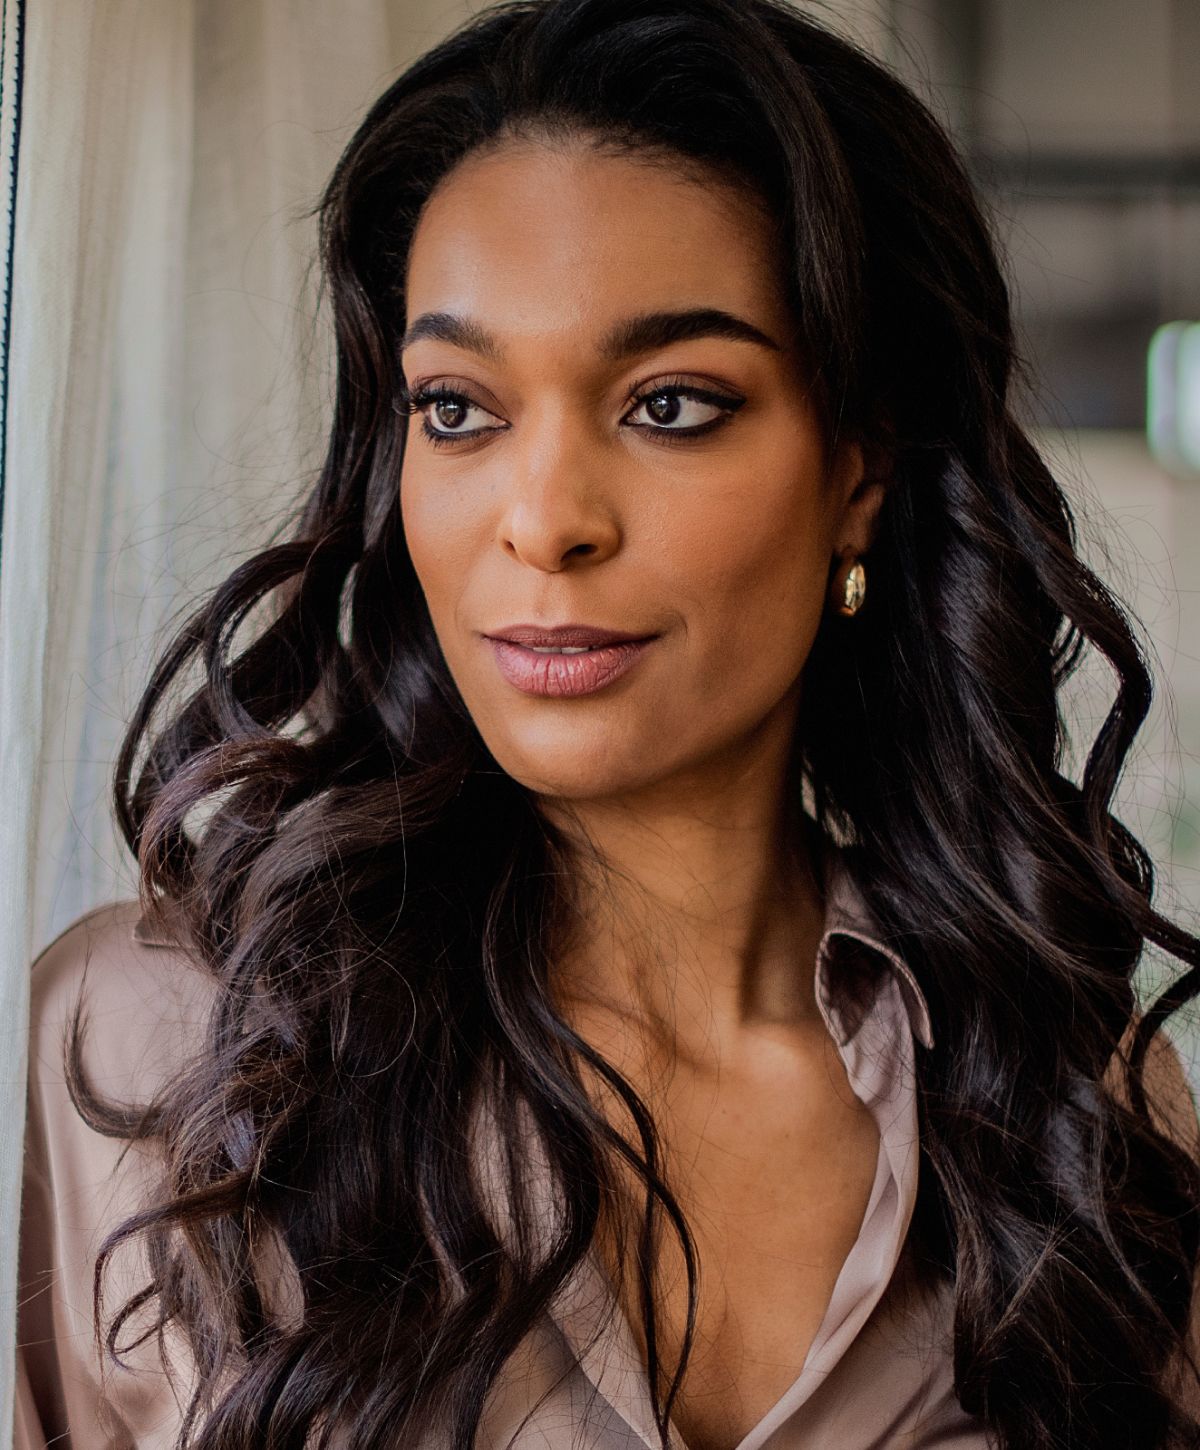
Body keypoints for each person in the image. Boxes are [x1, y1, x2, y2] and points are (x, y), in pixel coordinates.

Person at [15, 1, 1200, 1446]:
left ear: (860, 467)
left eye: (672, 403)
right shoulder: (160, 1058)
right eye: (458, 409)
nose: (546, 519)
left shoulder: (1072, 1103)